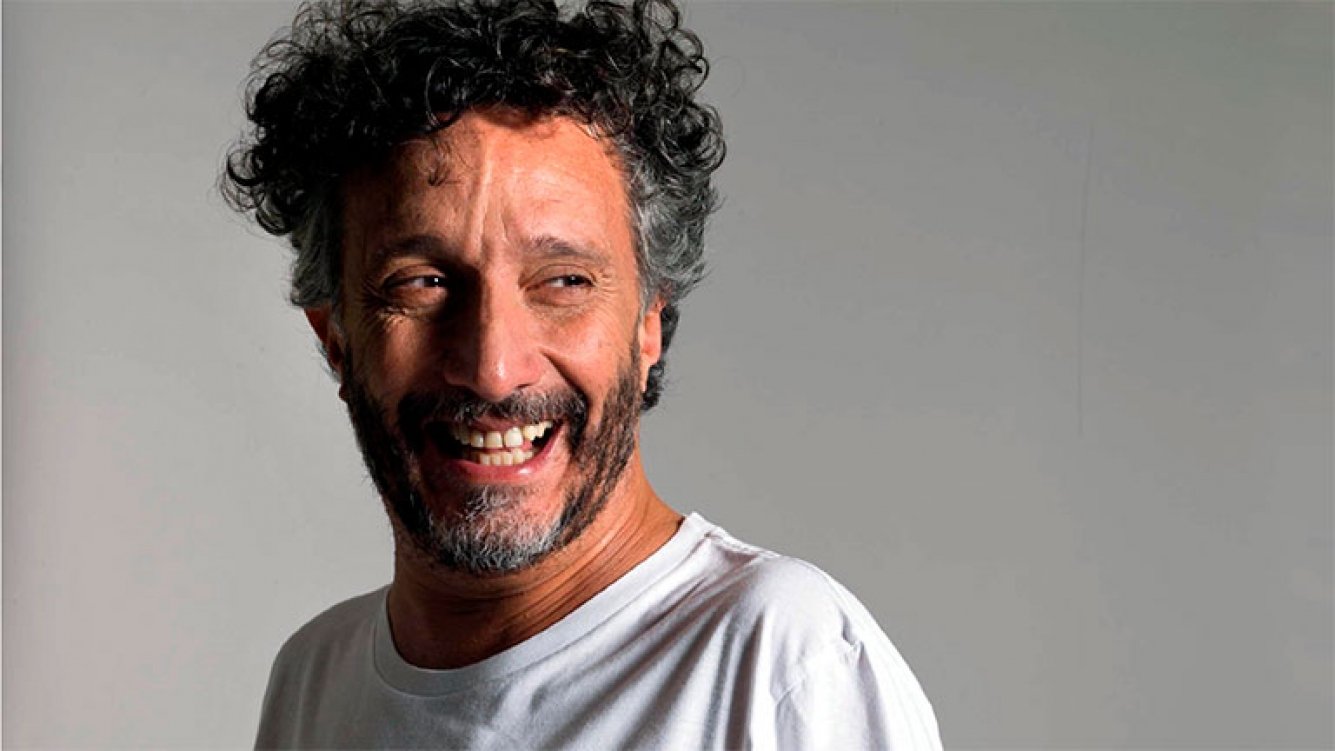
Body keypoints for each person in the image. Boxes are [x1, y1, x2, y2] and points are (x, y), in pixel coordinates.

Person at [225, 0, 941, 747]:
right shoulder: (316, 677)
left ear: (648, 323)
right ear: (335, 337)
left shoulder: (781, 662)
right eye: (422, 283)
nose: (493, 370)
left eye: (563, 281)